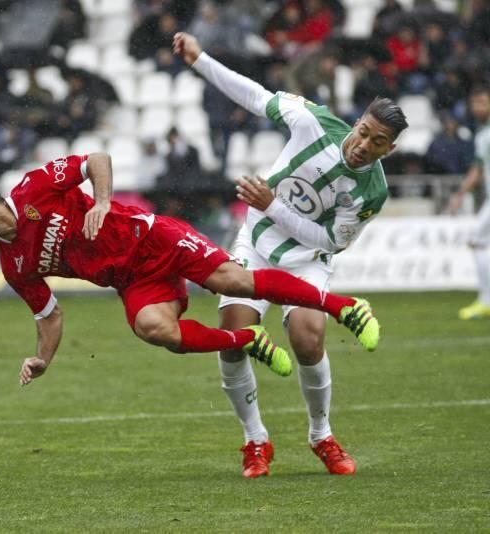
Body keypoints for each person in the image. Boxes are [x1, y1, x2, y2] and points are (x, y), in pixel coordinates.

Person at [0, 152, 382, 392]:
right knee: (155, 330)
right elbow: (49, 316)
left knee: (233, 282)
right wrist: (42, 359)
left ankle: (343, 307)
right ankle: (246, 339)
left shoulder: (34, 186)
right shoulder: (13, 265)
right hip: (134, 280)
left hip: (155, 239)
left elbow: (97, 159)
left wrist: (102, 201)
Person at [173, 32, 408, 477]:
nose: (363, 144)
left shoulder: (371, 191)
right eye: (363, 131)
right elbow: (254, 96)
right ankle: (255, 440)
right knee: (233, 335)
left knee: (307, 338)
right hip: (257, 245)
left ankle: (321, 434)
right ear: (356, 122)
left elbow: (328, 242)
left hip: (306, 259)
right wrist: (200, 59)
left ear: (388, 149)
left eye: (377, 142)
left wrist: (271, 204)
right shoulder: (311, 121)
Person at [449, 85, 490, 320]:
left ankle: (486, 301)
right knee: (479, 241)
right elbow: (478, 168)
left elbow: (477, 170)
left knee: (477, 240)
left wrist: (460, 194)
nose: (477, 108)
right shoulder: (483, 133)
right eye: (475, 103)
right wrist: (461, 193)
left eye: (482, 102)